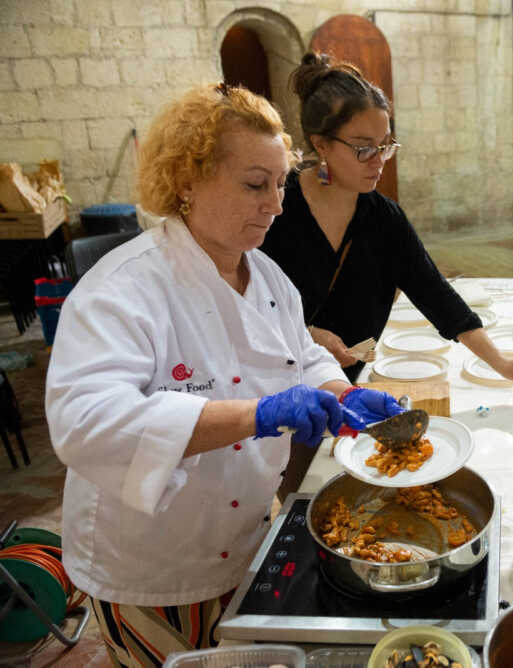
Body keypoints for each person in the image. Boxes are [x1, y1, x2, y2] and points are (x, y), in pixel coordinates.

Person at [45, 83, 404, 665]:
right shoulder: (125, 289)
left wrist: (344, 390)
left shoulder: (264, 275)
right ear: (187, 181)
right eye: (255, 185)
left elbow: (301, 355)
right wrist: (258, 415)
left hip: (242, 537)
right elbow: (86, 423)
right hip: (153, 559)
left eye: (281, 184)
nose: (277, 205)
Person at [261, 53, 513, 498]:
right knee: (291, 492)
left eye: (385, 145)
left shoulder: (383, 219)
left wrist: (505, 364)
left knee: (331, 485)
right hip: (274, 384)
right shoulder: (277, 210)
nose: (378, 161)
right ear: (321, 144)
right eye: (363, 148)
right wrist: (309, 334)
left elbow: (438, 296)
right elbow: (246, 305)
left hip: (343, 387)